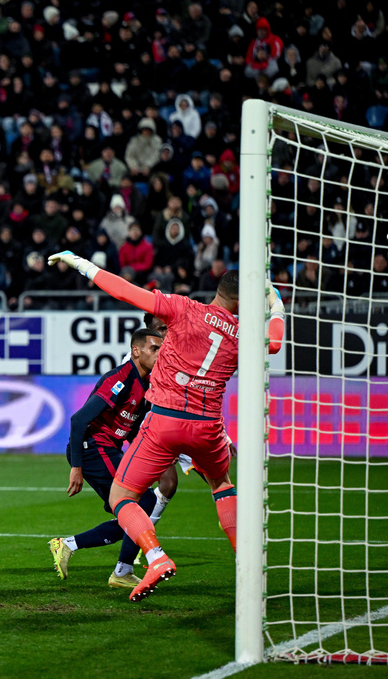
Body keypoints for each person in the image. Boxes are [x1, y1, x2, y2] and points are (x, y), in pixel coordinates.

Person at [48, 250, 285, 602]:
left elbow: (125, 291)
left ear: (218, 290)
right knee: (221, 484)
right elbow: (276, 343)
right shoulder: (243, 333)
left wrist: (80, 263)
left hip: (166, 421)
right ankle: (247, 567)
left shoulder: (184, 308)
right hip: (209, 427)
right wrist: (276, 305)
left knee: (122, 497)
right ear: (244, 300)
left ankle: (155, 558)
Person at [49, 329, 164, 590]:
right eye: (154, 349)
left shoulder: (147, 385)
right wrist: (76, 467)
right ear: (136, 351)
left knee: (134, 512)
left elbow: (132, 431)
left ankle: (69, 545)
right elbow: (79, 420)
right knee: (142, 502)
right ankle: (122, 570)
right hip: (93, 449)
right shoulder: (120, 379)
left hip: (108, 450)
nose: (159, 354)